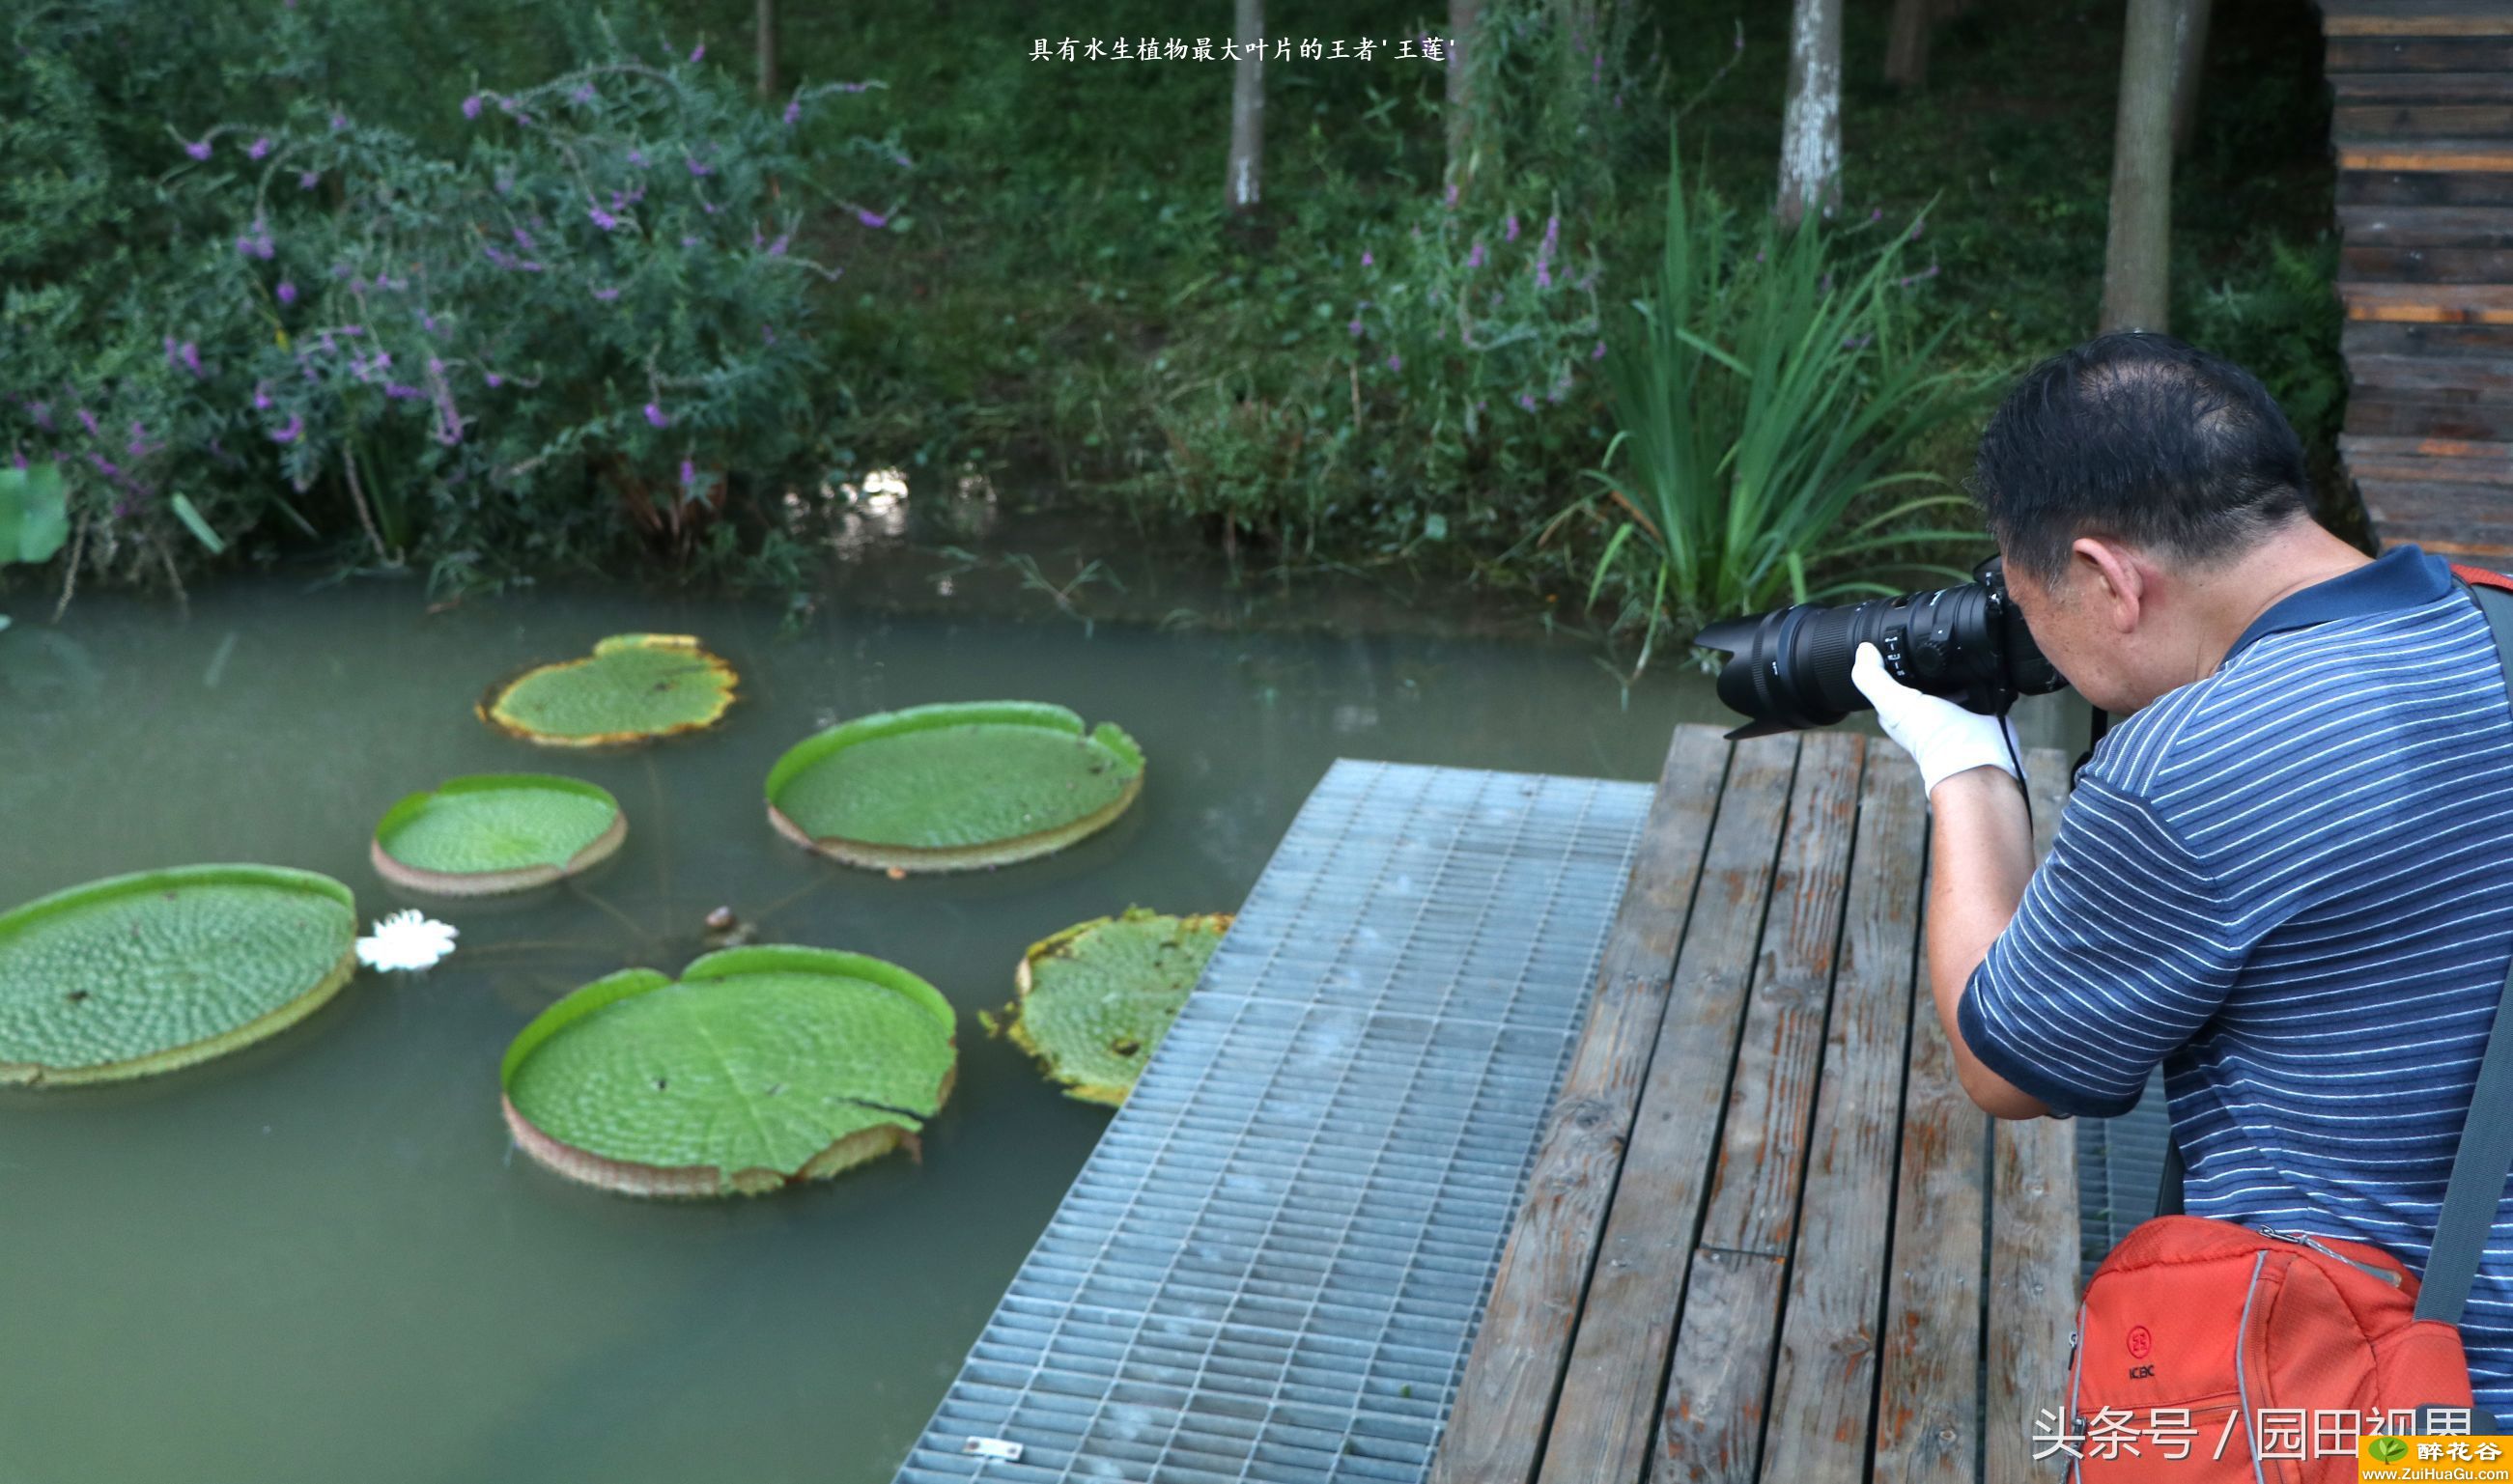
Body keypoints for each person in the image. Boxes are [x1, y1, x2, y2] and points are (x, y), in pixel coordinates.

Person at [1849, 328, 2513, 1416]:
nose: (2041, 648)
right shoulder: (2494, 621)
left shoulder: (2199, 756)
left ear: (2107, 577)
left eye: (2034, 610)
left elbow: (2005, 1058)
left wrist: (1962, 766)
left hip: (2413, 1431)